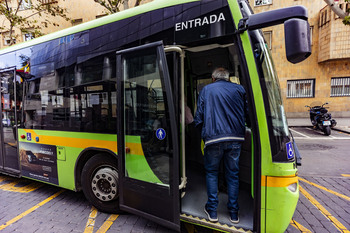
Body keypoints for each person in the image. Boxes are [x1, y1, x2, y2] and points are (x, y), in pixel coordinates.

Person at [194, 67, 248, 224]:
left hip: (213, 139)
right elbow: (247, 113)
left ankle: (212, 211)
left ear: (213, 78)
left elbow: (199, 117)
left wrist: (203, 134)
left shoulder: (206, 90)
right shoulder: (240, 89)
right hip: (235, 139)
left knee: (212, 173)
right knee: (233, 175)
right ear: (228, 78)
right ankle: (233, 213)